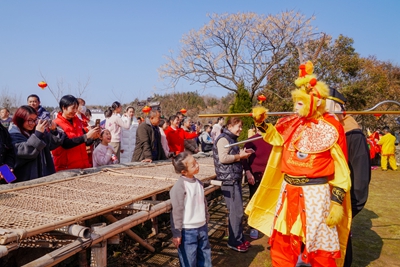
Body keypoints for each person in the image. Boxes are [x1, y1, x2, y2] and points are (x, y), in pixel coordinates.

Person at [245, 61, 351, 266]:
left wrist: (336, 202)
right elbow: (276, 138)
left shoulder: (332, 126)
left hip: (316, 194)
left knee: (319, 247)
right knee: (283, 242)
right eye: (296, 102)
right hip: (288, 190)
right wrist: (261, 123)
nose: (296, 106)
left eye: (300, 102)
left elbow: (341, 168)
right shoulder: (291, 122)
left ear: (315, 101)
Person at [326, 88, 371, 267]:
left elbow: (360, 180)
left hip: (340, 208)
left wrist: (347, 210)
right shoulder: (324, 130)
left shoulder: (352, 133)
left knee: (339, 254)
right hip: (317, 208)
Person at [213, 117, 252, 252]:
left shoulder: (232, 139)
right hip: (228, 180)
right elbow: (223, 158)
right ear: (230, 126)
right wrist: (239, 157)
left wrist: (243, 154)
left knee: (238, 211)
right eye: (238, 126)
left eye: (241, 126)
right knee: (236, 212)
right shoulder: (223, 139)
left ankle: (239, 238)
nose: (241, 129)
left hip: (233, 178)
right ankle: (234, 241)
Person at [170, 152, 212, 267]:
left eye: (196, 162)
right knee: (189, 260)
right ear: (183, 171)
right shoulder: (179, 186)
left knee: (205, 256)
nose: (197, 165)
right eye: (193, 165)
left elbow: (203, 202)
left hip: (202, 226)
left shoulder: (198, 183)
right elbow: (176, 211)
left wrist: (206, 216)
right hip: (187, 230)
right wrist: (176, 233)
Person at [9, 105, 65, 182]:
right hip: (23, 179)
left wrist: (54, 130)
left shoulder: (36, 131)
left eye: (35, 120)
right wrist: (37, 135)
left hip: (41, 175)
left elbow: (51, 145)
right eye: (30, 120)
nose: (33, 123)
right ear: (20, 119)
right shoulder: (13, 134)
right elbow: (24, 152)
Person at [52, 95, 100, 172]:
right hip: (66, 168)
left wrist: (93, 137)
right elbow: (65, 144)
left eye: (76, 108)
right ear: (64, 107)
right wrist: (86, 136)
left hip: (82, 165)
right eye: (73, 108)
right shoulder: (56, 124)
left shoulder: (77, 121)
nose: (75, 111)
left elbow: (84, 142)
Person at [241, 128, 273, 240]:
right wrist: (248, 172)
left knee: (269, 200)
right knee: (254, 199)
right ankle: (253, 226)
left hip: (269, 174)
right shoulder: (251, 141)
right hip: (255, 175)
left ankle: (267, 223)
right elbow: (244, 159)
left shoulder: (272, 139)